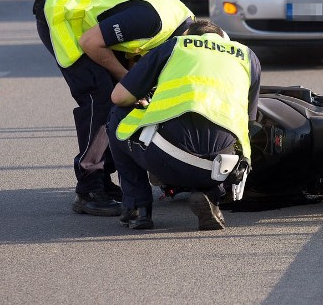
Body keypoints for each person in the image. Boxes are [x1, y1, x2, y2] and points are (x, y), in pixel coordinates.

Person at [33, 0, 195, 217]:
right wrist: (127, 80)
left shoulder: (181, 24)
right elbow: (90, 42)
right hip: (63, 18)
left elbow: (132, 48)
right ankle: (89, 188)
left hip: (90, 27)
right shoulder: (153, 22)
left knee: (122, 98)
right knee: (99, 98)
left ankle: (104, 178)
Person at [107, 19, 261, 231]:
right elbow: (250, 122)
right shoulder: (247, 55)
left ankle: (137, 207)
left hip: (168, 160)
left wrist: (145, 103)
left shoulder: (176, 45)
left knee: (118, 116)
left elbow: (119, 97)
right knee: (229, 138)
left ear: (189, 34)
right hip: (222, 168)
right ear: (224, 39)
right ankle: (211, 195)